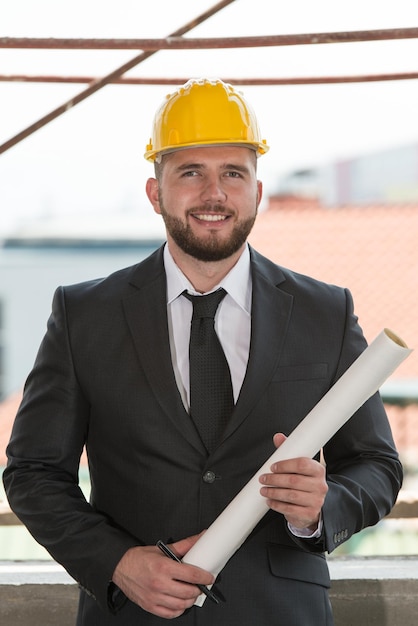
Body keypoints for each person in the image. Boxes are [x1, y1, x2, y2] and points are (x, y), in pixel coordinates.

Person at [3, 78, 402, 626]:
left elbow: (377, 465)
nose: (214, 194)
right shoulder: (84, 315)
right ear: (155, 192)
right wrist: (117, 563)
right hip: (134, 614)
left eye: (233, 173)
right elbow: (32, 471)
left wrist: (322, 507)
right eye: (190, 172)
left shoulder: (323, 313)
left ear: (257, 192)